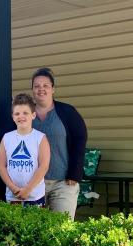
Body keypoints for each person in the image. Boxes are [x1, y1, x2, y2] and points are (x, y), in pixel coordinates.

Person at [31, 67, 87, 219]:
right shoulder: (25, 113)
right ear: (32, 90)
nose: (41, 89)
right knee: (34, 230)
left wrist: (75, 173)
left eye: (45, 85)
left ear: (53, 89)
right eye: (37, 86)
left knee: (62, 229)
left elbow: (79, 140)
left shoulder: (67, 112)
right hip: (33, 184)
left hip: (63, 183)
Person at [0, 94, 50, 207]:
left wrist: (28, 189)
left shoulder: (40, 138)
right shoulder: (6, 138)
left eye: (25, 113)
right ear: (13, 116)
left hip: (34, 196)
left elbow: (44, 166)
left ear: (33, 115)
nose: (21, 116)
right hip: (13, 196)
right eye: (17, 113)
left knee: (34, 224)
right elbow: (1, 166)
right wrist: (13, 188)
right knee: (13, 224)